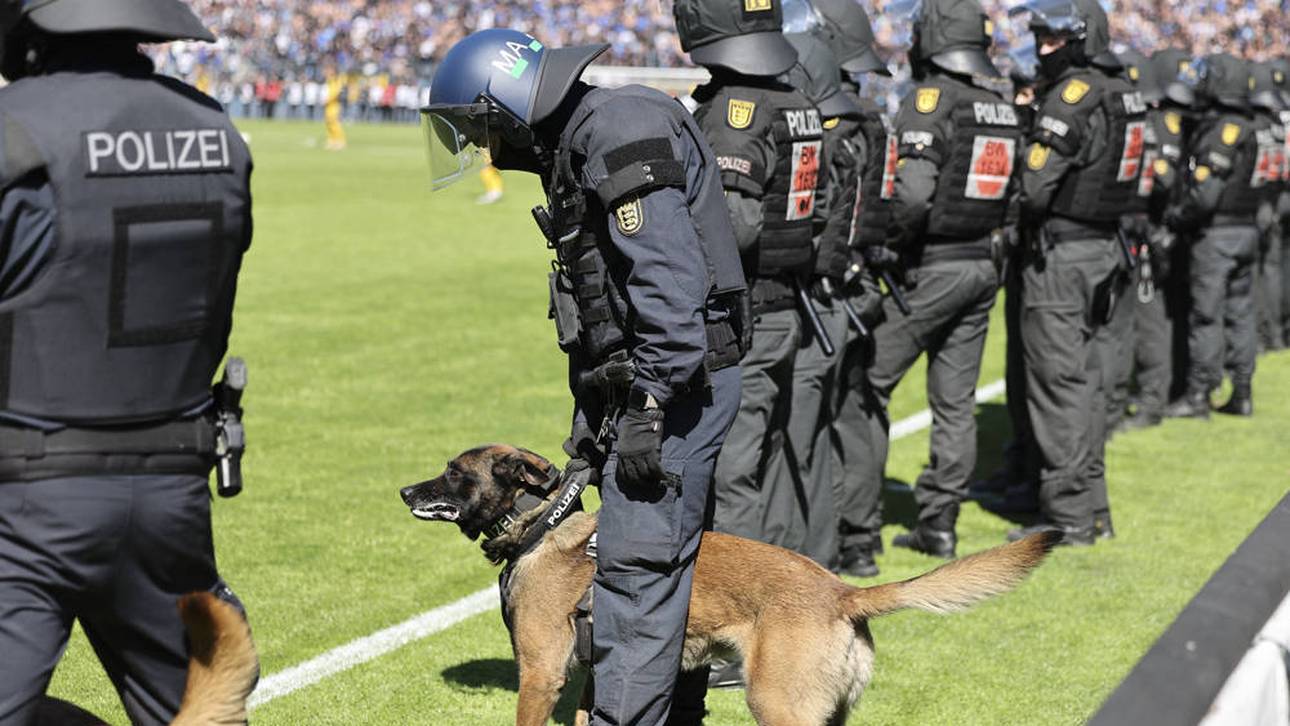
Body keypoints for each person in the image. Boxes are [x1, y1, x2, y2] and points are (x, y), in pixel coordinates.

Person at [423, 28, 747, 725]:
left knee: (633, 582)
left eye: (479, 127)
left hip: (676, 392)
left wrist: (650, 405)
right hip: (648, 392)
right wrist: (593, 430)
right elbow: (601, 314)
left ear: (506, 108)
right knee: (662, 580)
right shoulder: (581, 141)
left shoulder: (619, 129)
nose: (482, 145)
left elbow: (667, 286)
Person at [0, 1, 255, 722]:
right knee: (196, 706)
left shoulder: (15, 129)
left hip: (26, 494)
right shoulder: (216, 131)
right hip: (173, 492)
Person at [855, 0, 1020, 560]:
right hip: (983, 265)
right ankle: (940, 522)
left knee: (865, 382)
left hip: (933, 267)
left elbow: (915, 194)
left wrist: (887, 243)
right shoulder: (999, 104)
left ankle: (859, 523)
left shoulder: (931, 102)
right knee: (955, 401)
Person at [673, 0, 825, 553]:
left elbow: (734, 226)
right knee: (775, 456)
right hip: (786, 303)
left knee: (733, 470)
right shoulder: (799, 102)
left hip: (746, 315)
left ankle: (747, 610)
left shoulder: (736, 108)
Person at [1007, 0, 1146, 545]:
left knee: (1059, 385)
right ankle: (1093, 506)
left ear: (1081, 39)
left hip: (1064, 256)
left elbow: (1036, 189)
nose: (1043, 49)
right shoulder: (1124, 89)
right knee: (1085, 383)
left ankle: (1067, 515)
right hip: (1104, 249)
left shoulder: (1075, 94)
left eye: (1052, 39)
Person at [757, 26, 861, 567]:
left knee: (788, 449)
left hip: (808, 298)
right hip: (820, 296)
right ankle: (818, 559)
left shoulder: (822, 136)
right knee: (804, 445)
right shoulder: (839, 130)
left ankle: (803, 567)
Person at [807, 0, 899, 578]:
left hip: (834, 285)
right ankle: (862, 536)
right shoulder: (872, 119)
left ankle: (838, 542)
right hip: (867, 277)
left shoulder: (833, 122)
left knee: (824, 418)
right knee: (859, 412)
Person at [1163, 54, 1263, 418]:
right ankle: (1242, 391)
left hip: (1217, 235)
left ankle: (1199, 394)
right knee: (1241, 313)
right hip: (1247, 230)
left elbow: (1205, 196)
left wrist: (1177, 218)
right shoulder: (1247, 124)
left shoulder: (1225, 129)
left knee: (1206, 316)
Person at [1118, 48, 1197, 432]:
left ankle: (1153, 399)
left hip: (1150, 231)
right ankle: (1150, 391)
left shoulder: (1157, 122)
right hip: (1145, 229)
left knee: (1149, 319)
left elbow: (1165, 180)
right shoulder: (1160, 120)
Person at [1249, 62, 1286, 353]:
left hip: (1261, 200)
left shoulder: (1258, 122)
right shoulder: (1275, 121)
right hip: (1276, 197)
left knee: (1260, 270)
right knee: (1273, 268)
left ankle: (1264, 335)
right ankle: (1274, 333)